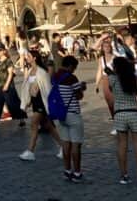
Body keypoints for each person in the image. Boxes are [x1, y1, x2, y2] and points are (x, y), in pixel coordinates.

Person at [103, 56, 137, 187]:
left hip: (119, 114)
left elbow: (111, 89)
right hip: (134, 113)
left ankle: (124, 176)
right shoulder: (133, 79)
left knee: (122, 146)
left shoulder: (112, 79)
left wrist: (109, 73)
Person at [17, 48, 61, 161]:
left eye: (28, 56)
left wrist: (50, 105)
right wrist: (26, 102)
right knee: (49, 127)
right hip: (35, 102)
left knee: (33, 125)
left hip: (42, 103)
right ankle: (64, 147)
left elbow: (47, 89)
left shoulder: (42, 72)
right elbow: (27, 88)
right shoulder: (30, 70)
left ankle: (30, 151)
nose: (26, 57)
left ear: (34, 58)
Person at [53, 55, 85, 183]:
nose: (74, 70)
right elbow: (78, 96)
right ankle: (77, 172)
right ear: (70, 65)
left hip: (61, 114)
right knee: (76, 145)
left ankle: (67, 171)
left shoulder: (55, 77)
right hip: (73, 114)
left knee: (66, 143)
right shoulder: (71, 78)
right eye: (74, 67)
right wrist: (81, 88)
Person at [0, 45, 27, 127]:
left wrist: (7, 85)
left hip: (7, 85)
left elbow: (10, 74)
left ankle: (21, 119)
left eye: (1, 50)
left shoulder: (8, 61)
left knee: (13, 103)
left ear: (4, 51)